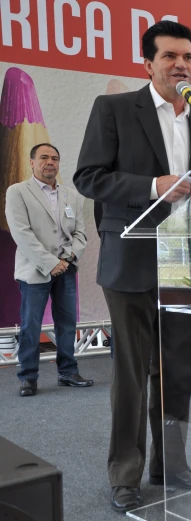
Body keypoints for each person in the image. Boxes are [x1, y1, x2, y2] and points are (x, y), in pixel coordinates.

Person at [73, 21, 191, 512]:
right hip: (131, 258)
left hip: (183, 258)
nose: (182, 64)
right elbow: (90, 177)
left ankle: (170, 465)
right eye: (170, 56)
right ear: (148, 63)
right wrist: (156, 186)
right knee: (133, 374)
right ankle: (127, 473)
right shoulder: (114, 108)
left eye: (188, 57)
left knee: (177, 369)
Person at [5, 143, 92, 397]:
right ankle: (28, 377)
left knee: (67, 324)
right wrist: (50, 263)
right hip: (35, 270)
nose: (50, 162)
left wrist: (66, 258)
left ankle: (68, 372)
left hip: (66, 268)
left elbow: (80, 233)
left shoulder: (72, 195)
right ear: (32, 162)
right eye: (43, 157)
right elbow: (21, 233)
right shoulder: (18, 192)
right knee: (31, 325)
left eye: (54, 158)